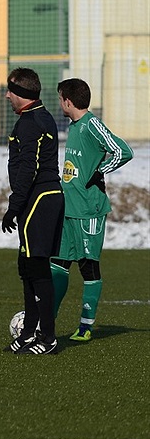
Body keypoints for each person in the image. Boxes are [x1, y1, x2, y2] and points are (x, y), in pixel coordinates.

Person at [51, 78, 134, 342]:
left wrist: (100, 171)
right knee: (58, 264)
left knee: (88, 267)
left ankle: (86, 326)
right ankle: (46, 320)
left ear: (67, 100)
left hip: (89, 210)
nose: (59, 102)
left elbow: (123, 151)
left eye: (60, 98)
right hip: (68, 209)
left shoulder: (91, 124)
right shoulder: (74, 126)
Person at [2, 67, 64, 356]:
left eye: (11, 91)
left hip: (40, 199)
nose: (7, 96)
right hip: (39, 198)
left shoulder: (30, 123)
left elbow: (29, 168)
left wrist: (14, 206)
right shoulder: (38, 117)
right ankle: (29, 333)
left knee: (37, 268)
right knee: (27, 267)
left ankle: (48, 338)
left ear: (23, 95)